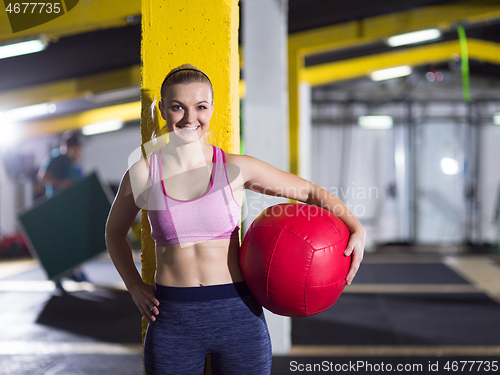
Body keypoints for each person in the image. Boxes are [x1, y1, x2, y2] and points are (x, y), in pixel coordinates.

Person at [105, 64, 365, 375]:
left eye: (200, 107)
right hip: (172, 319)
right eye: (178, 107)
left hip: (238, 314)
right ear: (162, 109)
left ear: (212, 109)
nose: (190, 118)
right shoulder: (143, 172)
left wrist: (356, 227)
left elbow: (310, 193)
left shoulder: (235, 168)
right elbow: (114, 233)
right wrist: (134, 286)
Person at [38, 131, 89, 289]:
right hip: (58, 208)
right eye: (77, 150)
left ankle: (74, 271)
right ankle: (58, 276)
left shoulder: (73, 164)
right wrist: (60, 183)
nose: (79, 153)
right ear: (69, 147)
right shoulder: (57, 158)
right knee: (60, 243)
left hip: (70, 208)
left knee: (72, 241)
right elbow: (42, 177)